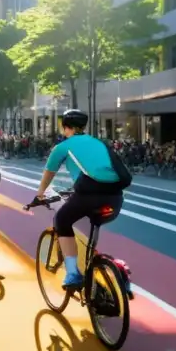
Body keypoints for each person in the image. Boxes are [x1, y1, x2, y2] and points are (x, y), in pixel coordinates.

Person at [33, 109, 125, 288]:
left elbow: (49, 173)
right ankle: (105, 268)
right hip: (115, 198)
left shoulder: (63, 147)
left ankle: (73, 274)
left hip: (88, 196)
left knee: (62, 219)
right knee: (91, 225)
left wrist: (39, 195)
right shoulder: (99, 143)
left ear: (65, 127)